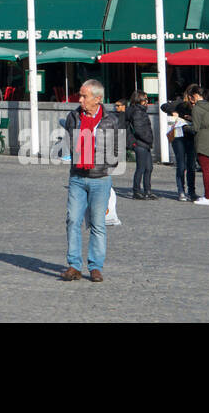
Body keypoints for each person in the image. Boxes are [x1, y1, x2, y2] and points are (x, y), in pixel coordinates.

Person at [60, 79, 123, 282]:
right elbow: (69, 142)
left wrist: (104, 167)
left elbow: (116, 151)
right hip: (77, 177)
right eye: (80, 95)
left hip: (100, 179)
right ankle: (74, 265)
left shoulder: (110, 120)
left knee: (98, 224)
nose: (80, 100)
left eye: (84, 96)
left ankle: (95, 267)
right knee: (73, 220)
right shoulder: (73, 116)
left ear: (98, 99)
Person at [161, 85, 199, 201]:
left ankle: (191, 191)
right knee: (181, 164)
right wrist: (173, 112)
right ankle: (181, 190)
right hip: (179, 136)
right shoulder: (180, 104)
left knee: (191, 165)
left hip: (191, 136)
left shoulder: (198, 106)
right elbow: (164, 106)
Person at [189, 85, 209, 206]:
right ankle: (208, 196)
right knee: (207, 169)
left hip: (202, 141)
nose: (191, 99)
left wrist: (185, 126)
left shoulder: (197, 108)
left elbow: (195, 128)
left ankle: (208, 197)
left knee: (205, 170)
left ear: (196, 96)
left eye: (192, 97)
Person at [125, 91, 155, 199]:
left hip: (144, 143)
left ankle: (148, 190)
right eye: (145, 99)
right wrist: (148, 139)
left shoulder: (141, 110)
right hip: (140, 143)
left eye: (147, 99)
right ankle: (136, 191)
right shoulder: (137, 111)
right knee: (141, 168)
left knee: (149, 168)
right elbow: (139, 129)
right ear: (139, 100)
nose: (147, 101)